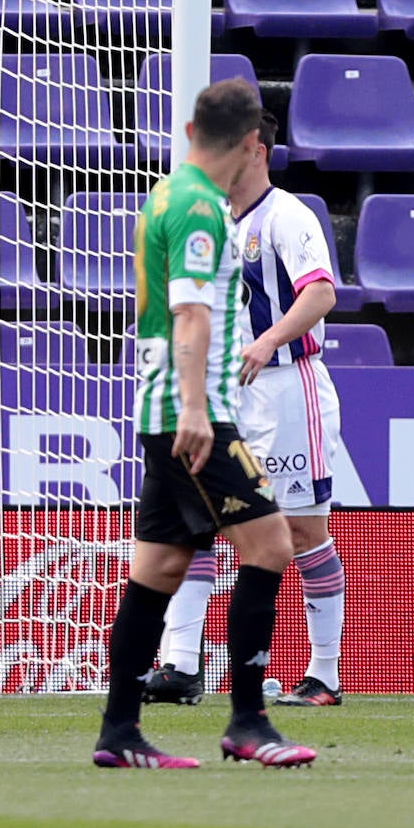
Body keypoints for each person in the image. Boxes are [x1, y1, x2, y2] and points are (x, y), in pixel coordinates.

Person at [95, 78, 314, 768]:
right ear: (254, 144)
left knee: (159, 566)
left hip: (158, 404)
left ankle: (119, 732)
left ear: (192, 133)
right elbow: (191, 312)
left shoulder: (166, 193)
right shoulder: (201, 210)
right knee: (272, 545)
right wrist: (196, 408)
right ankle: (248, 721)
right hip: (193, 411)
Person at [144, 110, 346, 709]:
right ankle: (181, 666)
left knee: (303, 529)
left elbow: (321, 292)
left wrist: (268, 340)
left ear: (256, 149)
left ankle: (325, 675)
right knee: (198, 522)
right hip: (227, 395)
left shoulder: (287, 214)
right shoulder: (211, 219)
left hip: (288, 389)